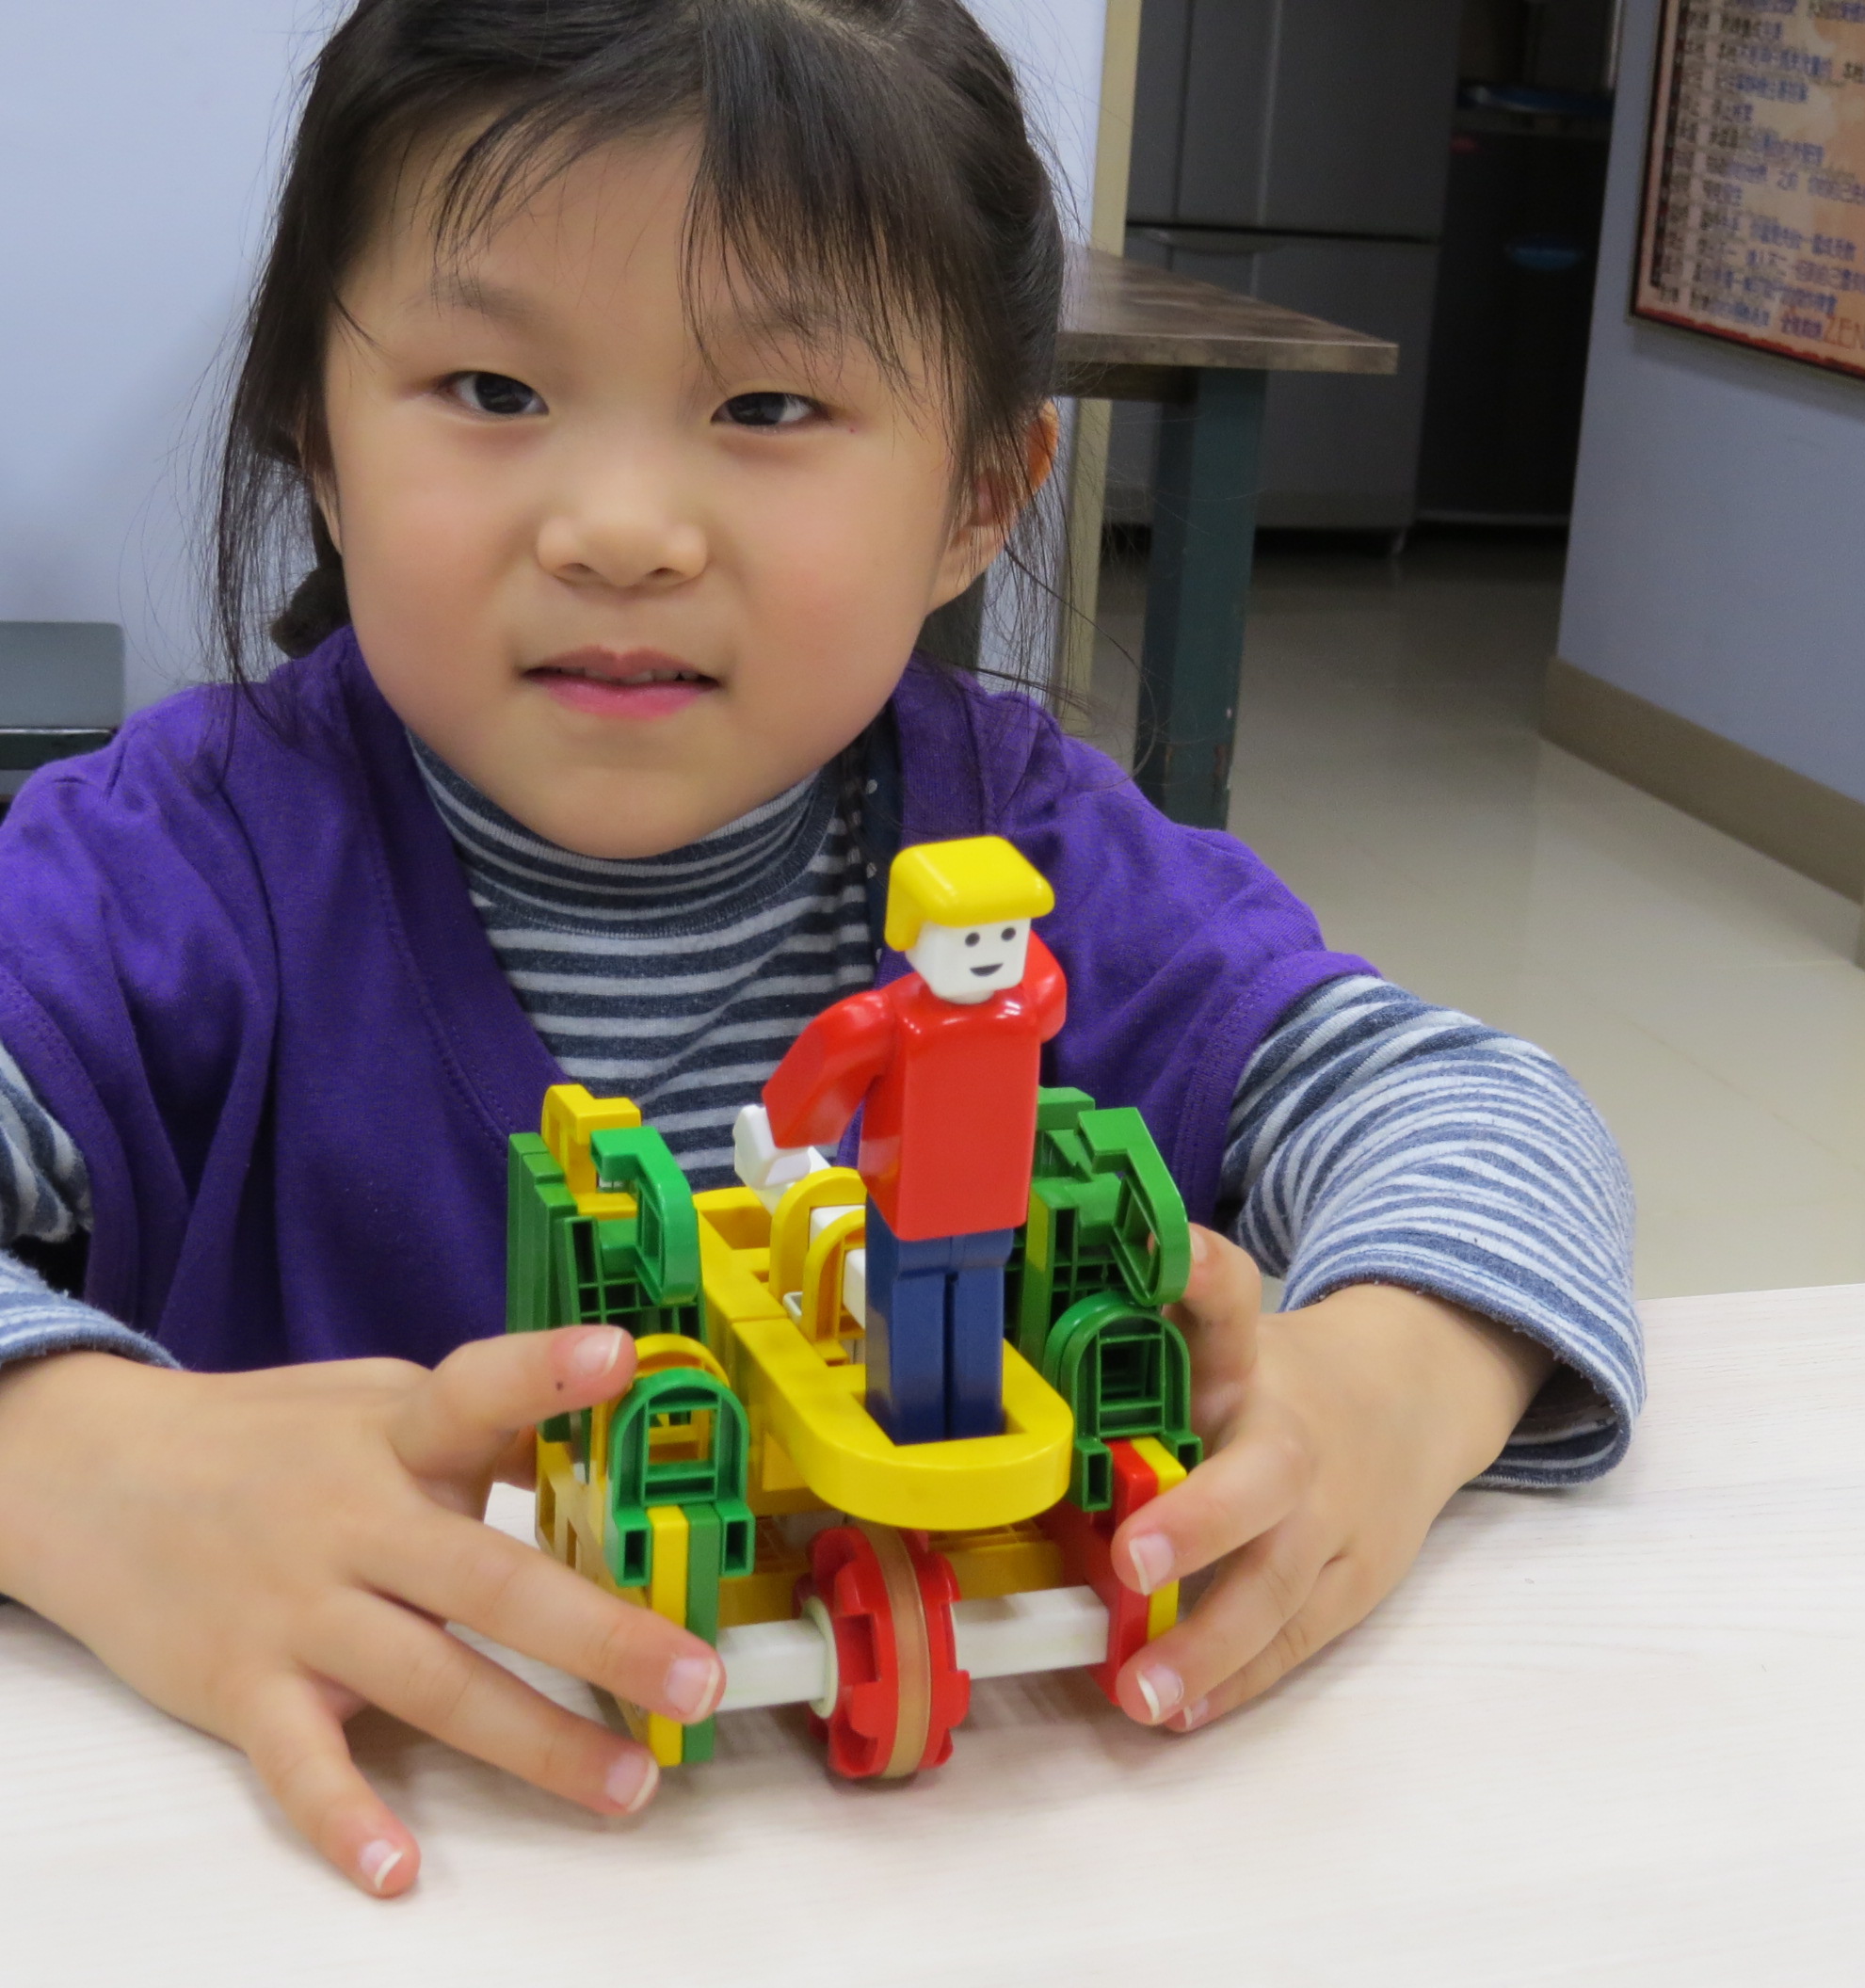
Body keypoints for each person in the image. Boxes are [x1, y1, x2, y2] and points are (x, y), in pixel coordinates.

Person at [0, 0, 1639, 1902]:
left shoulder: (1027, 870)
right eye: (493, 390)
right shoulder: (168, 873)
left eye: (769, 410)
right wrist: (74, 1462)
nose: (620, 531)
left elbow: (1484, 1111)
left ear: (977, 498)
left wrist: (1393, 1377)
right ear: (320, 434)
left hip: (989, 1872)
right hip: (365, 1871)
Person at [764, 836, 1069, 1445]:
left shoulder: (1025, 1009)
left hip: (990, 1199)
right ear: (912, 933)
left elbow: (1046, 978)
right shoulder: (888, 1020)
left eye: (1006, 934)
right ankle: (908, 1426)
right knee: (910, 1306)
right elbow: (826, 1063)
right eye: (971, 938)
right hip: (909, 1203)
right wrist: (791, 1134)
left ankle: (977, 1422)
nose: (991, 954)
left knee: (981, 1299)